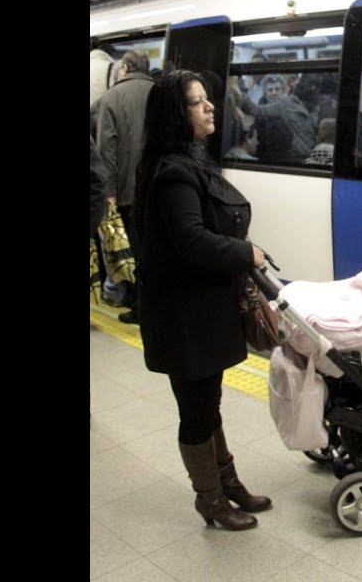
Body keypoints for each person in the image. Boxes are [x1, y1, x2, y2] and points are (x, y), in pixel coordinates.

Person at [133, 70, 271, 532]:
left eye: (208, 100)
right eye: (197, 103)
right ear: (177, 113)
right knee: (196, 409)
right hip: (183, 315)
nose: (210, 107)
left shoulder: (185, 160)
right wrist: (245, 252)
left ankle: (227, 484)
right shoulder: (174, 172)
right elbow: (192, 241)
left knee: (206, 402)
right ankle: (210, 500)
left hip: (196, 308)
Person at [96, 50, 156, 323]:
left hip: (129, 192)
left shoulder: (110, 98)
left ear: (124, 69)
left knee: (137, 254)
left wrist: (107, 191)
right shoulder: (161, 93)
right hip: (161, 189)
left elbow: (105, 149)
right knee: (156, 251)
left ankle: (142, 308)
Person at [253, 74, 317, 164]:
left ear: (283, 91)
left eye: (277, 89)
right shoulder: (260, 113)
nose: (274, 93)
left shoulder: (292, 107)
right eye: (270, 90)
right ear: (265, 93)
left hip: (292, 156)